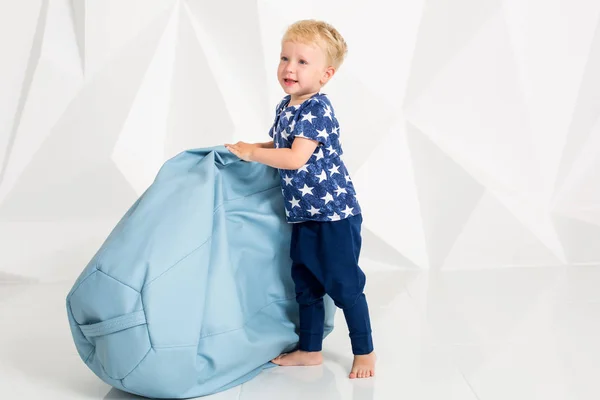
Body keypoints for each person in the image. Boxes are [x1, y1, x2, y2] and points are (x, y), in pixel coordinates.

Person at [225, 19, 376, 379]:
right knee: (305, 283)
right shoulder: (287, 105)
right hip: (304, 213)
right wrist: (246, 148)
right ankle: (309, 349)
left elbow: (295, 158)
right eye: (284, 58)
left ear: (326, 74)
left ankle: (365, 351)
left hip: (333, 215)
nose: (289, 68)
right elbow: (280, 147)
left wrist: (253, 154)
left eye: (302, 62)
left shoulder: (317, 109)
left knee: (343, 283)